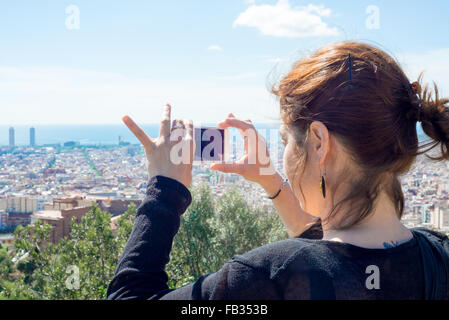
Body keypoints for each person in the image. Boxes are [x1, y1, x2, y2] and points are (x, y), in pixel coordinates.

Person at [107, 41, 449, 300]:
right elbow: (334, 256)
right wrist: (271, 181)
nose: (283, 153)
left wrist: (164, 190)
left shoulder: (266, 278)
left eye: (286, 140)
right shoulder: (439, 255)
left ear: (318, 141)